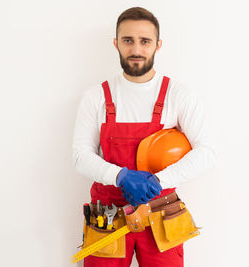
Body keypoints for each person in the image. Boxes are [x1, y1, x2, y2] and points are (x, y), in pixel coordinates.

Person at [72, 6, 216, 267]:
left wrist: (159, 180)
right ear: (116, 43)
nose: (136, 49)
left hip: (161, 215)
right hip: (109, 217)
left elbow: (206, 152)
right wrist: (120, 176)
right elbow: (80, 156)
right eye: (128, 40)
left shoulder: (178, 95)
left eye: (145, 41)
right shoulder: (96, 97)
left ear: (158, 45)